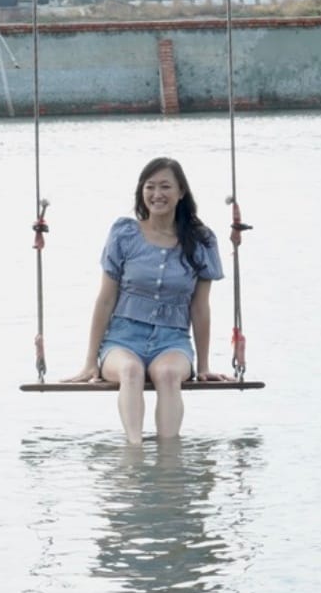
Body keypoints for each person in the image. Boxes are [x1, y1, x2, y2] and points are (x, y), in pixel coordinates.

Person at [69, 156, 228, 443]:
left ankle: (169, 461)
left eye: (165, 186)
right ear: (141, 192)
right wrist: (90, 361)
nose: (157, 194)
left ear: (181, 193)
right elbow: (105, 300)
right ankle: (134, 452)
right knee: (131, 371)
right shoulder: (124, 234)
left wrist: (203, 366)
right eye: (150, 187)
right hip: (122, 339)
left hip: (173, 341)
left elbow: (200, 308)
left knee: (167, 375)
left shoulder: (201, 241)